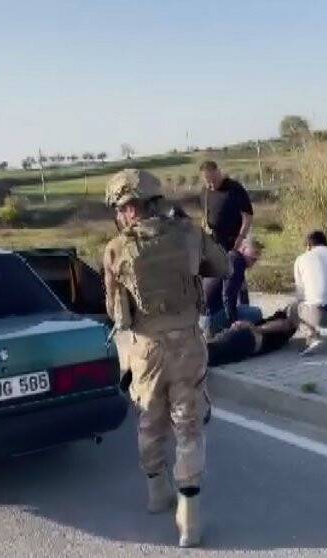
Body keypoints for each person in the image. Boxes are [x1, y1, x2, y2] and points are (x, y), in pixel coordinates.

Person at [103, 168, 229, 547]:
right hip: (187, 343)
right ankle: (189, 517)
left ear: (124, 210)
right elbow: (221, 266)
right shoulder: (188, 234)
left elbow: (114, 311)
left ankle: (158, 491)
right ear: (157, 200)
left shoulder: (115, 248)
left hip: (145, 349)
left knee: (150, 420)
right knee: (188, 425)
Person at [200, 237, 264, 337]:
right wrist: (234, 321)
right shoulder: (237, 263)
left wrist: (243, 308)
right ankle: (216, 330)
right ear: (243, 248)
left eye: (258, 254)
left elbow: (241, 292)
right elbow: (228, 294)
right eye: (254, 252)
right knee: (256, 313)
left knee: (245, 310)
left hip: (203, 312)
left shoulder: (230, 257)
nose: (256, 257)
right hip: (211, 316)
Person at [206, 310, 299, 367]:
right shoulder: (283, 337)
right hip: (249, 345)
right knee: (213, 356)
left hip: (250, 338)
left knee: (212, 350)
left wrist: (251, 327)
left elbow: (283, 324)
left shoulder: (285, 323)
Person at [200, 160, 254, 253]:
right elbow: (205, 216)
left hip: (234, 244)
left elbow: (248, 215)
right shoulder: (205, 192)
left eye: (214, 180)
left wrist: (240, 239)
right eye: (208, 181)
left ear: (219, 172)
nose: (212, 184)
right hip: (213, 245)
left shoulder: (235, 188)